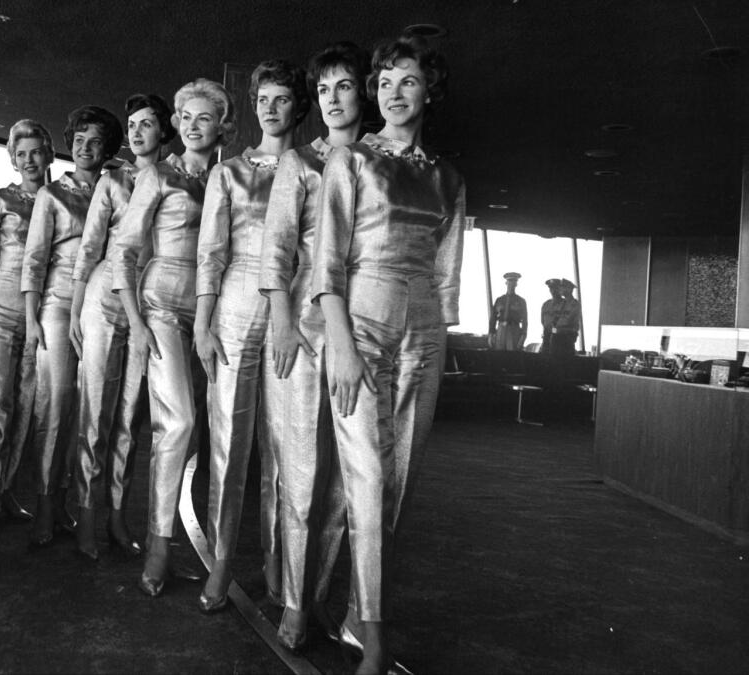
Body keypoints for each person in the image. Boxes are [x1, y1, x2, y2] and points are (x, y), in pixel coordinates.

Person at [313, 35, 465, 675]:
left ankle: (335, 602)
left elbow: (449, 274)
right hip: (361, 326)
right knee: (367, 478)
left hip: (424, 334)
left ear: (428, 89)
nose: (391, 93)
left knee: (392, 485)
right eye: (382, 83)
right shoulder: (350, 161)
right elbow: (327, 262)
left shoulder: (450, 178)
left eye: (406, 81)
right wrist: (340, 346)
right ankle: (375, 632)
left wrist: (437, 346)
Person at [259, 41, 371, 651]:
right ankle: (296, 602)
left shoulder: (379, 162)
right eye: (323, 90)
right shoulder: (298, 162)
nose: (332, 100)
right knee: (301, 471)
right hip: (301, 330)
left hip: (364, 332)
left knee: (344, 482)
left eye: (344, 86)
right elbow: (275, 248)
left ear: (364, 91)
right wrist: (280, 320)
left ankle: (318, 590)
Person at [109, 78, 234, 598]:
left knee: (206, 430)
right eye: (185, 117)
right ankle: (159, 545)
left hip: (216, 312)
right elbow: (124, 251)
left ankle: (204, 546)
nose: (192, 126)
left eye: (204, 118)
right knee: (177, 421)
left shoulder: (230, 178)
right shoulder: (158, 175)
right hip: (159, 305)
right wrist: (136, 325)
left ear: (222, 125)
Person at [193, 59, 304, 615]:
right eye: (263, 98)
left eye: (282, 99)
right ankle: (219, 562)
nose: (270, 108)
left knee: (285, 449)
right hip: (235, 305)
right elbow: (210, 252)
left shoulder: (315, 169)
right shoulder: (227, 173)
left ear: (297, 107)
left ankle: (280, 569)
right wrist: (202, 322)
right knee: (229, 443)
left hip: (294, 311)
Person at [69, 94, 175, 560]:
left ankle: (117, 514)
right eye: (131, 124)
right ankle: (86, 517)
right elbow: (89, 249)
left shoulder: (177, 176)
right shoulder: (113, 180)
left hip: (148, 303)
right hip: (103, 297)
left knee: (131, 416)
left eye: (146, 124)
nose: (135, 132)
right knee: (95, 412)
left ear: (163, 131)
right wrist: (74, 312)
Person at [22, 105, 123, 547]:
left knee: (95, 412)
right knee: (56, 405)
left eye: (94, 141)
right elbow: (34, 260)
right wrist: (31, 320)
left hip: (102, 306)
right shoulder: (52, 195)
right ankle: (47, 504)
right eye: (78, 139)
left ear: (107, 149)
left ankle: (86, 509)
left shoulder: (119, 188)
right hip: (59, 305)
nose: (84, 148)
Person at [0, 119, 53, 534]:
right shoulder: (0, 199)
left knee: (28, 407)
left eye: (35, 152)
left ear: (49, 154)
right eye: (21, 155)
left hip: (43, 313)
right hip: (0, 307)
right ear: (13, 160)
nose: (29, 161)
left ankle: (8, 492)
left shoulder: (59, 199)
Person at [489, 272, 527, 351]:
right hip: (501, 330)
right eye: (510, 281)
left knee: (512, 356)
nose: (511, 284)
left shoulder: (521, 301)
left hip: (514, 329)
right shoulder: (499, 300)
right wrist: (491, 334)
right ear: (506, 283)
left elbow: (525, 321)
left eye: (514, 282)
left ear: (516, 284)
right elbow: (493, 318)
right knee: (499, 355)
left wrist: (523, 336)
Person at [550, 278, 581, 357]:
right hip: (556, 338)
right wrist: (553, 332)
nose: (560, 289)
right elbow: (554, 321)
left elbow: (572, 322)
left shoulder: (574, 304)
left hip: (567, 338)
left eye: (563, 287)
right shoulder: (560, 303)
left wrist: (562, 330)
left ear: (569, 289)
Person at [539, 278, 563, 354]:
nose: (553, 291)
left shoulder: (566, 305)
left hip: (560, 339)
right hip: (547, 338)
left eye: (555, 288)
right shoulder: (546, 305)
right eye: (551, 288)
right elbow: (543, 322)